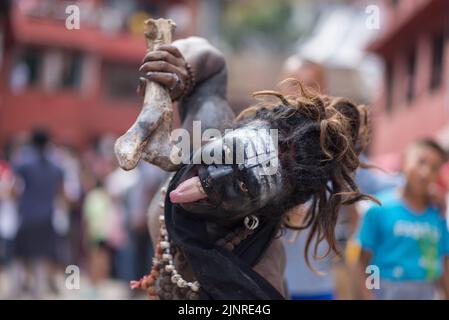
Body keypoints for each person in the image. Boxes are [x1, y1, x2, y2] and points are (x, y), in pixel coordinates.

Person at [131, 37, 375, 300]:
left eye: (244, 185)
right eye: (293, 84)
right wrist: (182, 70)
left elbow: (353, 230)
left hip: (310, 285)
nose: (212, 178)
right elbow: (212, 65)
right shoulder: (218, 132)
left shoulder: (261, 267)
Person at [356, 139, 449, 299]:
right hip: (387, 290)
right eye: (421, 162)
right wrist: (370, 295)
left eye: (434, 168)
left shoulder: (437, 214)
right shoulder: (379, 209)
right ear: (405, 161)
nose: (425, 172)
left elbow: (444, 262)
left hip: (426, 291)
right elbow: (365, 262)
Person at [10, 129, 66, 298]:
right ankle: (37, 292)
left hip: (26, 215)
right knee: (41, 255)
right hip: (47, 215)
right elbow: (61, 192)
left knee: (19, 254)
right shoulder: (56, 166)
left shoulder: (24, 163)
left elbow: (13, 189)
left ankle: (16, 289)